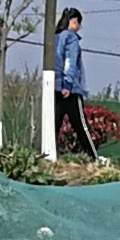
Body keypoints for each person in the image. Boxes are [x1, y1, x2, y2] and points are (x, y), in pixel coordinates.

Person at [52, 9, 89, 155]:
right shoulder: (71, 38)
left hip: (55, 87)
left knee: (54, 124)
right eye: (79, 23)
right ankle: (92, 156)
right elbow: (69, 62)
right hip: (70, 89)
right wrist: (67, 84)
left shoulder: (55, 37)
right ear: (73, 21)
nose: (79, 27)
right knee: (81, 125)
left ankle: (49, 154)